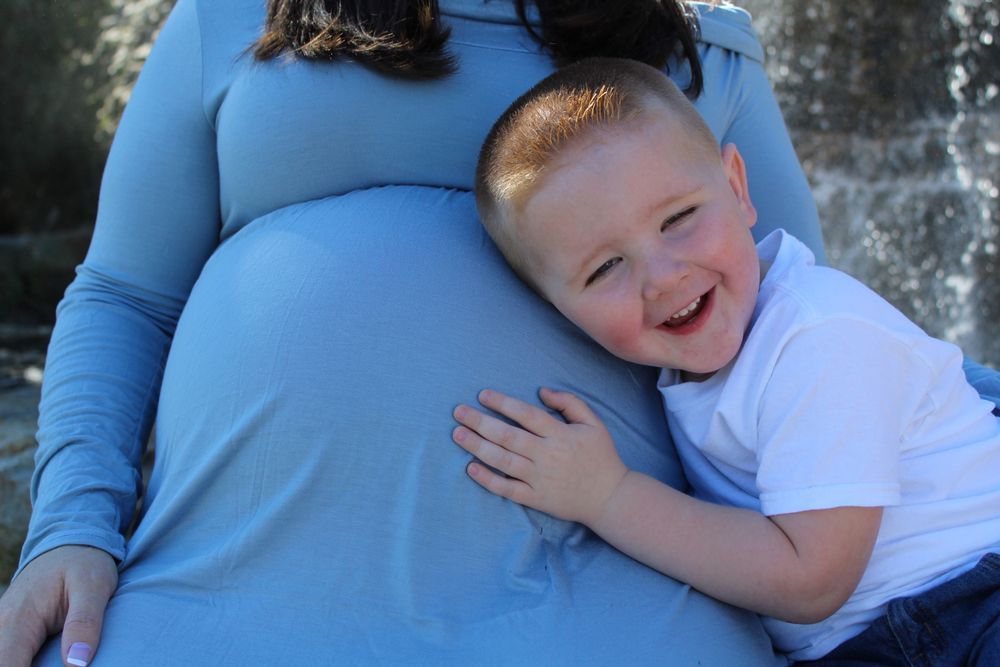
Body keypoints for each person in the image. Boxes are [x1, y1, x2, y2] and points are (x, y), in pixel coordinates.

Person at [0, 1, 996, 665]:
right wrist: (71, 523)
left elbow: (807, 330)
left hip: (622, 615)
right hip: (224, 590)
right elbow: (124, 293)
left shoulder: (703, 47)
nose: (656, 269)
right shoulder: (234, 19)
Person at [454, 56, 1000, 663]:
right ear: (555, 310)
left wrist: (609, 497)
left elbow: (811, 580)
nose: (663, 278)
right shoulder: (680, 362)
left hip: (972, 601)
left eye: (678, 218)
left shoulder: (818, 336)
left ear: (738, 189)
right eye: (605, 268)